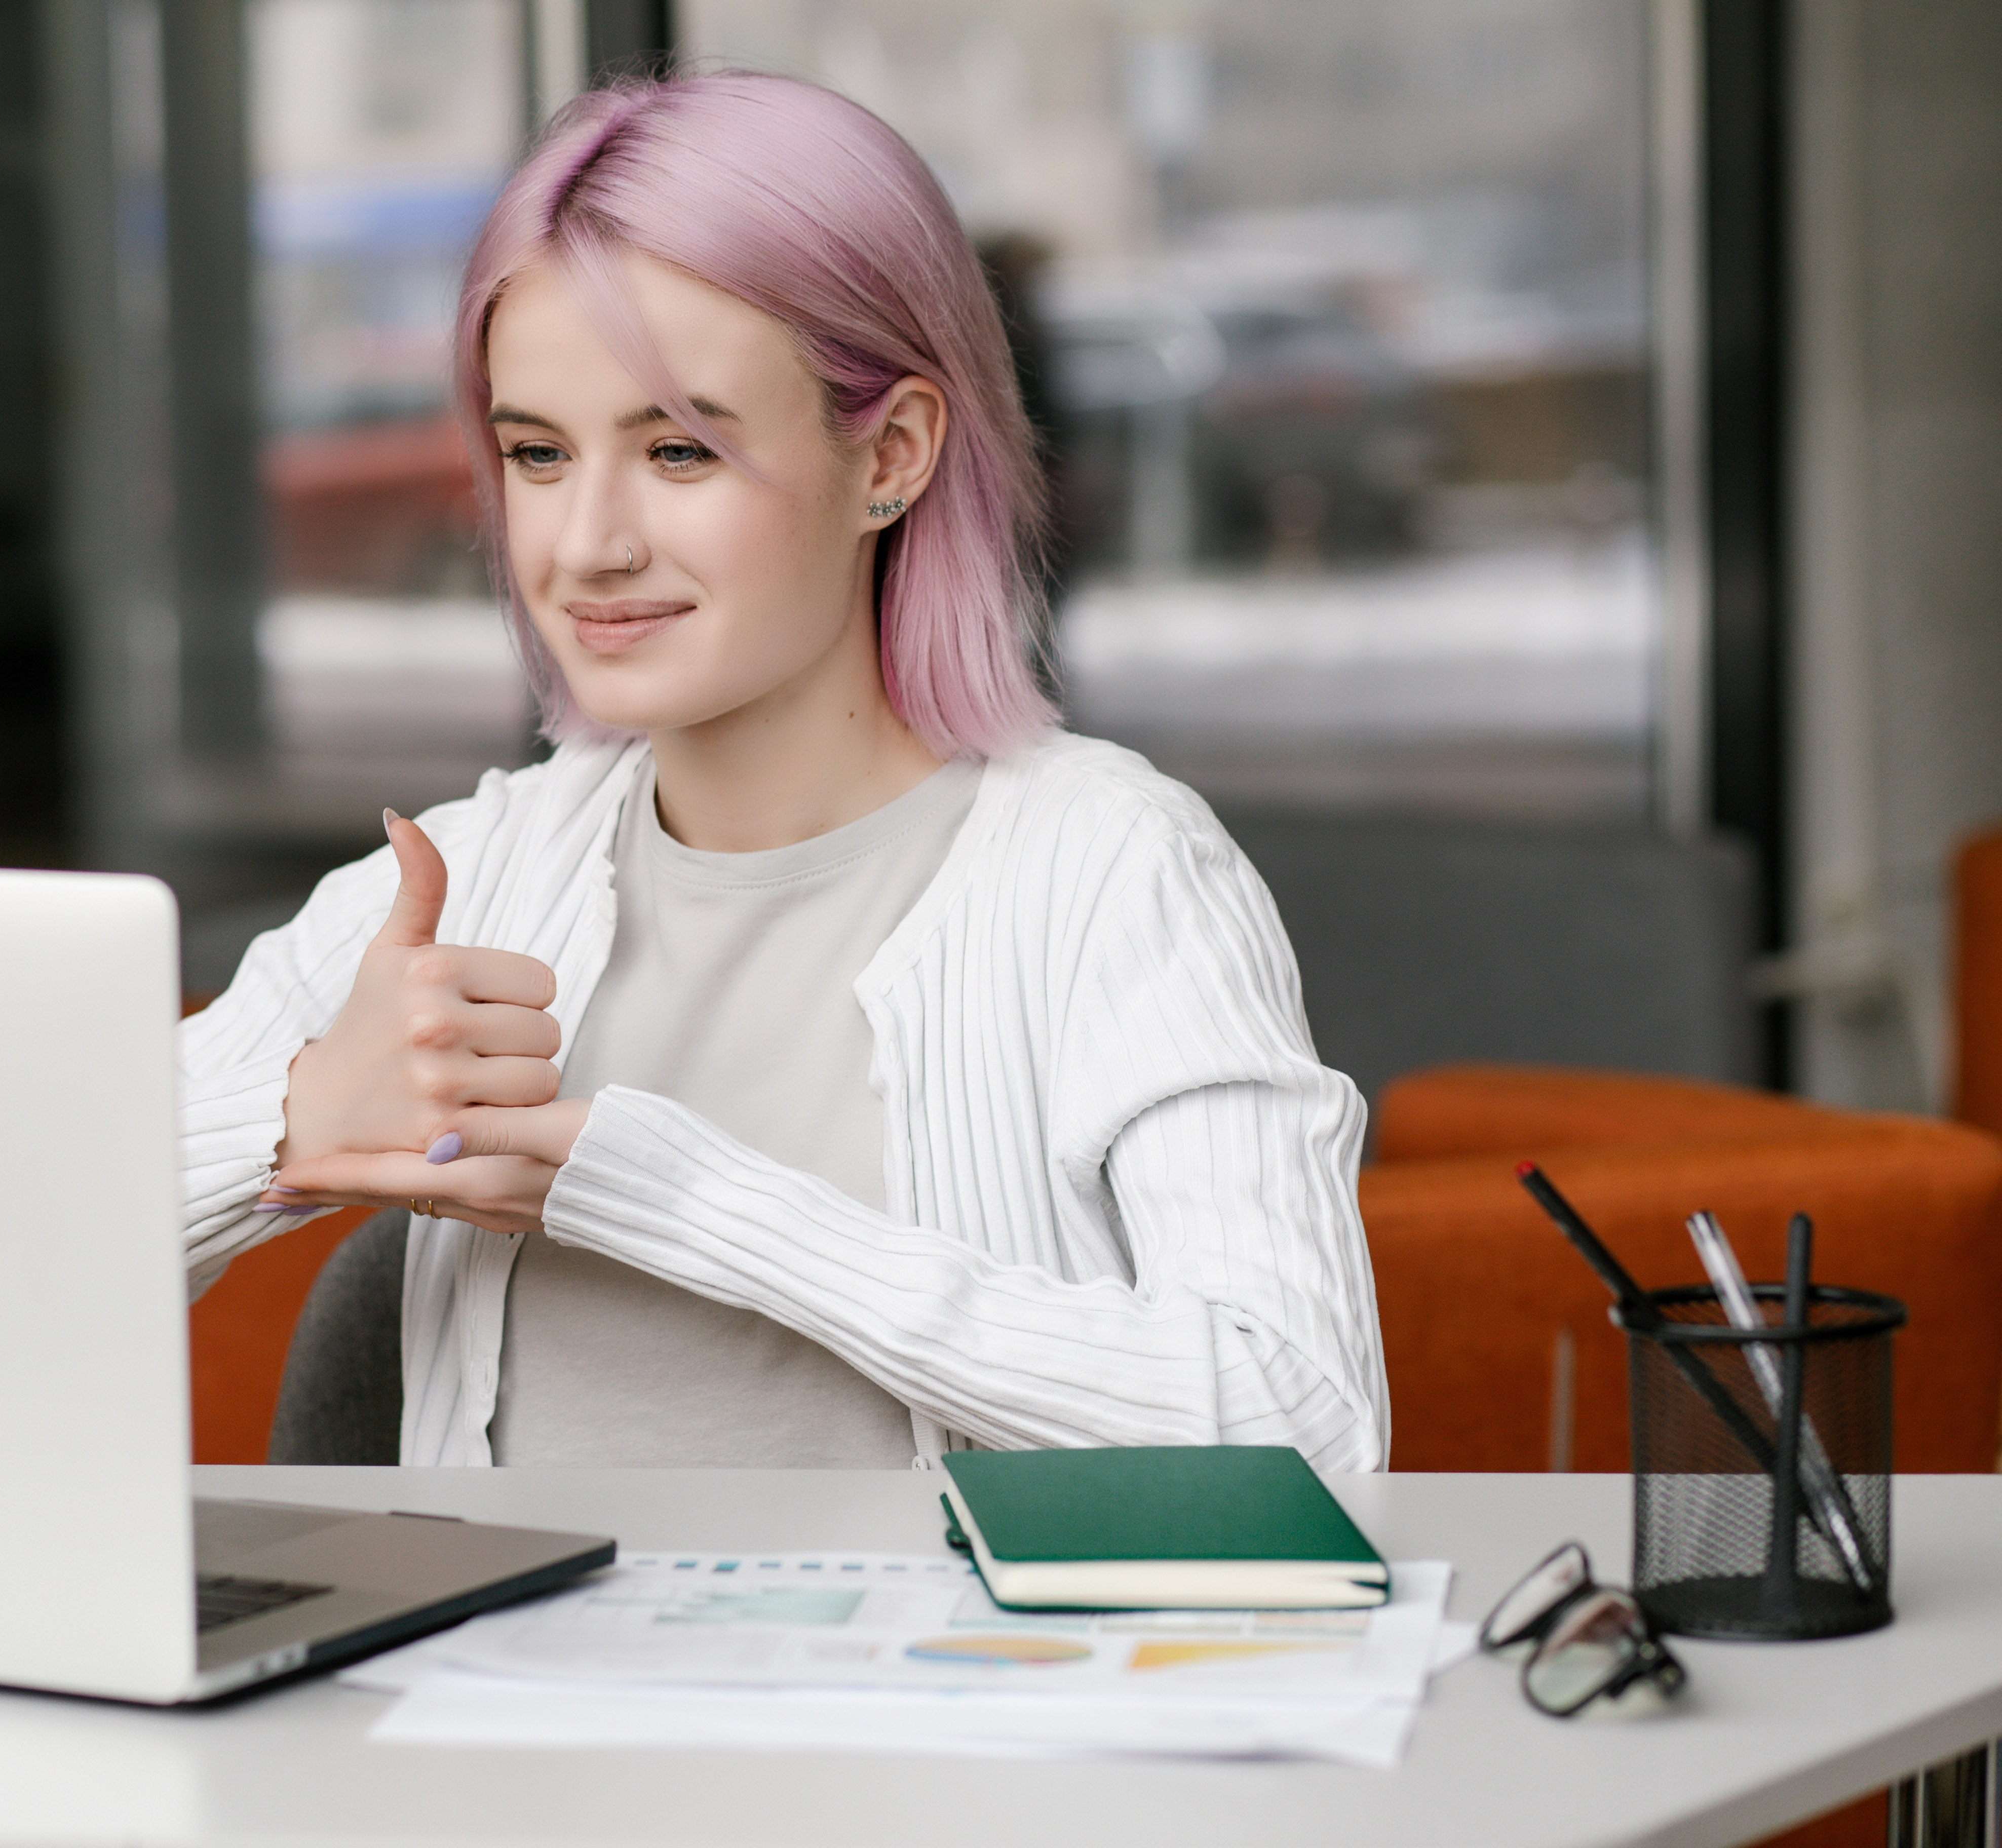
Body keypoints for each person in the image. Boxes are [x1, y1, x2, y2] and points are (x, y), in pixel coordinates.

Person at [180, 71, 1387, 1473]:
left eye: (679, 449)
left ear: (893, 453)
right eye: (537, 454)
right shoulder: (474, 880)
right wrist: (291, 1124)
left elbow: (1310, 1420)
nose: (585, 546)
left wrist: (675, 1195)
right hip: (519, 1694)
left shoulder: (1110, 868)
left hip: (969, 1693)